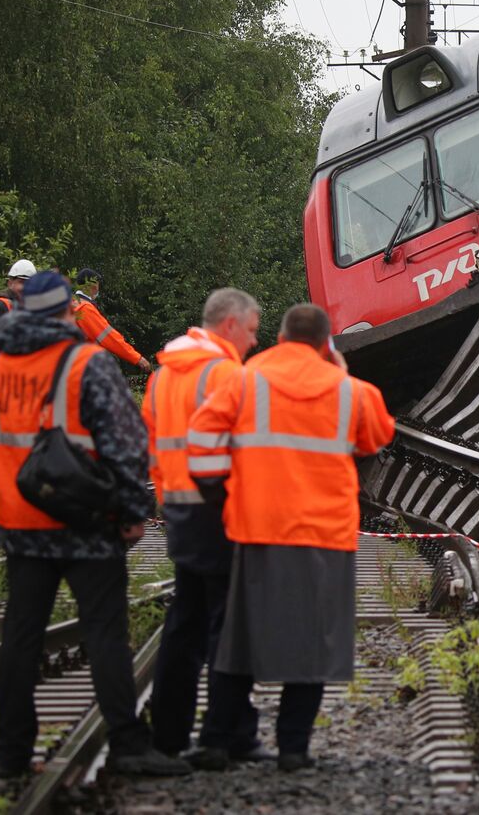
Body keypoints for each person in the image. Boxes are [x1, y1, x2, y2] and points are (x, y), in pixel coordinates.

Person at [0, 271, 189, 778]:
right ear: (65, 313)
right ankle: (127, 744)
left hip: (21, 524)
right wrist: (132, 513)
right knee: (105, 635)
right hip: (88, 524)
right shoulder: (84, 364)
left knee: (21, 637)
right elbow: (125, 445)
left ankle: (11, 755)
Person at [187, 304, 395, 771]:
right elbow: (378, 437)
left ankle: (218, 741)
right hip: (324, 535)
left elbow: (199, 442)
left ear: (280, 338)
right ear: (326, 344)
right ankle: (293, 748)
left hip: (257, 528)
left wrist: (223, 496)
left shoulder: (243, 380)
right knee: (313, 641)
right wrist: (339, 370)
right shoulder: (350, 391)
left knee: (238, 641)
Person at [144, 288, 269, 765]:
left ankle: (169, 736)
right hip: (221, 512)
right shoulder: (225, 374)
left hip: (179, 510)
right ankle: (227, 735)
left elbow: (153, 447)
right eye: (253, 331)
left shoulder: (162, 376)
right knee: (228, 626)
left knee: (186, 624)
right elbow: (243, 453)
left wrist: (166, 497)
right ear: (230, 325)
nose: (254, 343)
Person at [72, 268, 152, 372]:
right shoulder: (84, 308)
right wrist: (137, 358)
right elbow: (109, 337)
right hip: (80, 368)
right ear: (94, 285)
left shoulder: (70, 303)